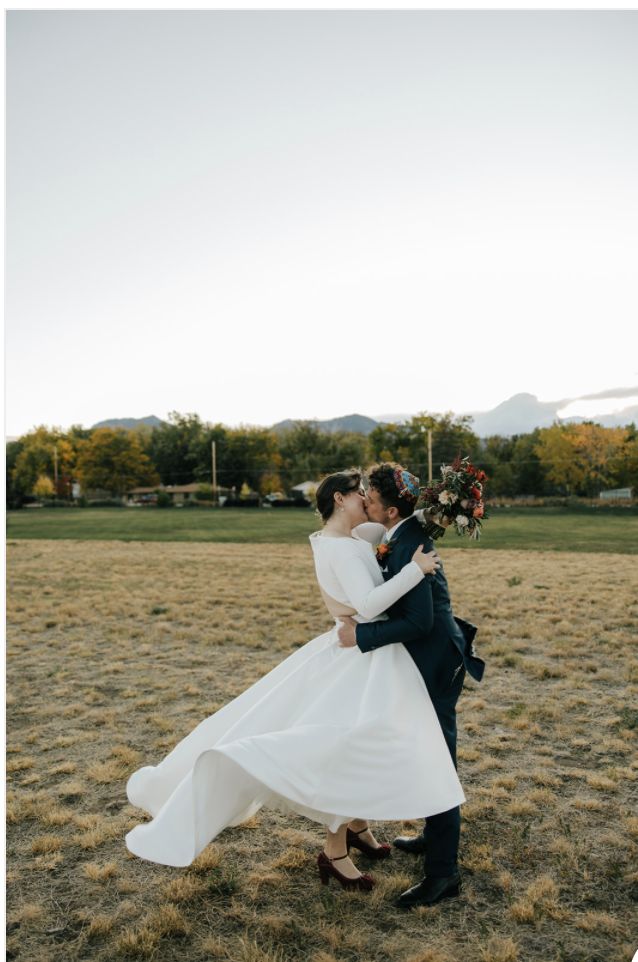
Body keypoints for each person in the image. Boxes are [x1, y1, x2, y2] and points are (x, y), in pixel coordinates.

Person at [125, 468, 465, 895]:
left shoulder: (360, 536)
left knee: (379, 744)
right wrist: (410, 572)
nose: (365, 500)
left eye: (370, 495)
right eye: (360, 493)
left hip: (389, 655)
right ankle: (351, 841)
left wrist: (439, 512)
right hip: (366, 655)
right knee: (353, 743)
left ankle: (375, 835)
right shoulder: (347, 545)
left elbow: (397, 537)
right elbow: (367, 601)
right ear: (340, 498)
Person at [337, 462, 485, 908]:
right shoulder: (401, 534)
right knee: (423, 753)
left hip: (437, 663)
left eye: (371, 498)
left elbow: (419, 622)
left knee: (436, 761)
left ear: (390, 510)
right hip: (426, 660)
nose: (365, 501)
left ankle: (443, 873)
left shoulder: (409, 545)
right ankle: (432, 836)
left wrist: (361, 636)